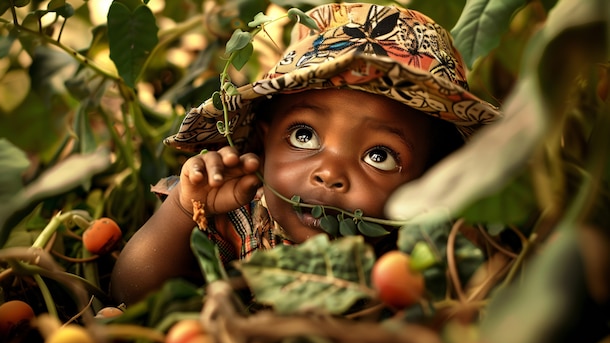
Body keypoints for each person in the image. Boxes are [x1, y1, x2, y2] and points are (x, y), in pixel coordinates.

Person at [110, 2, 501, 305]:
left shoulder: (408, 259)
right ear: (264, 143)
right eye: (303, 135)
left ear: (426, 183)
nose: (329, 172)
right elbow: (129, 291)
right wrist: (183, 209)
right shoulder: (237, 219)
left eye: (379, 156)